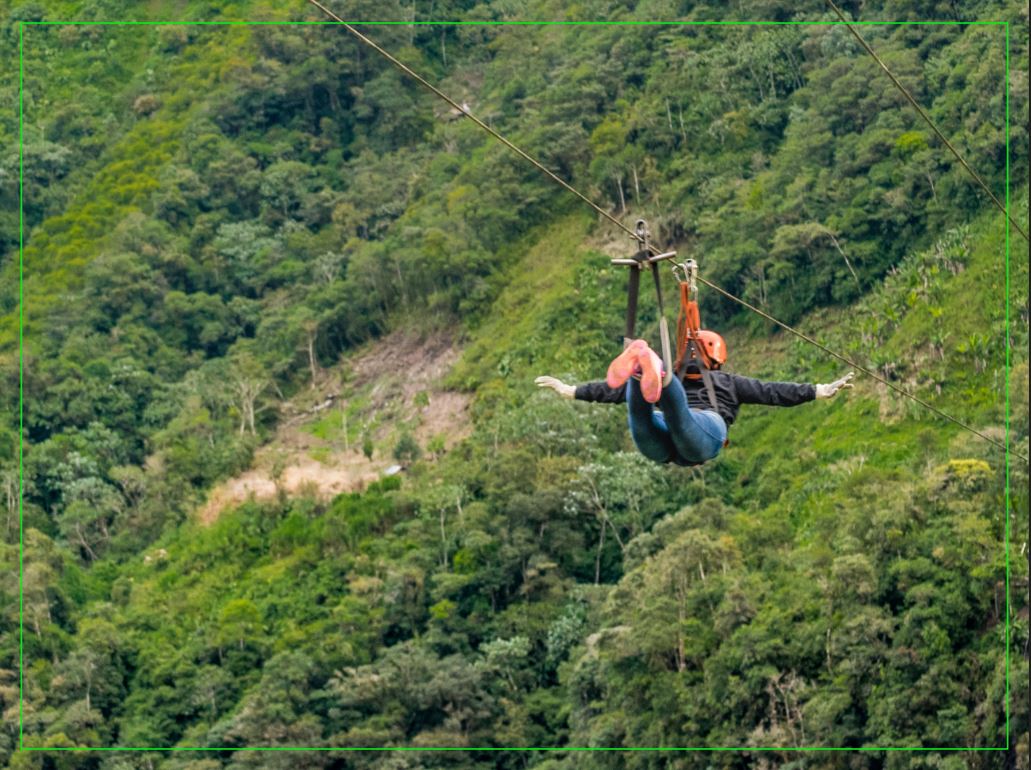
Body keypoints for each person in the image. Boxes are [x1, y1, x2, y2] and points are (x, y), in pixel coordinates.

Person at [535, 337, 854, 466]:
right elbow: (772, 392)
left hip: (698, 430)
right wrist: (571, 389)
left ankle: (645, 368)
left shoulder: (726, 382)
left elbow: (773, 392)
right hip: (686, 441)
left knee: (654, 413)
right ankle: (641, 370)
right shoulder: (730, 380)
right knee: (650, 410)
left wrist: (817, 390)